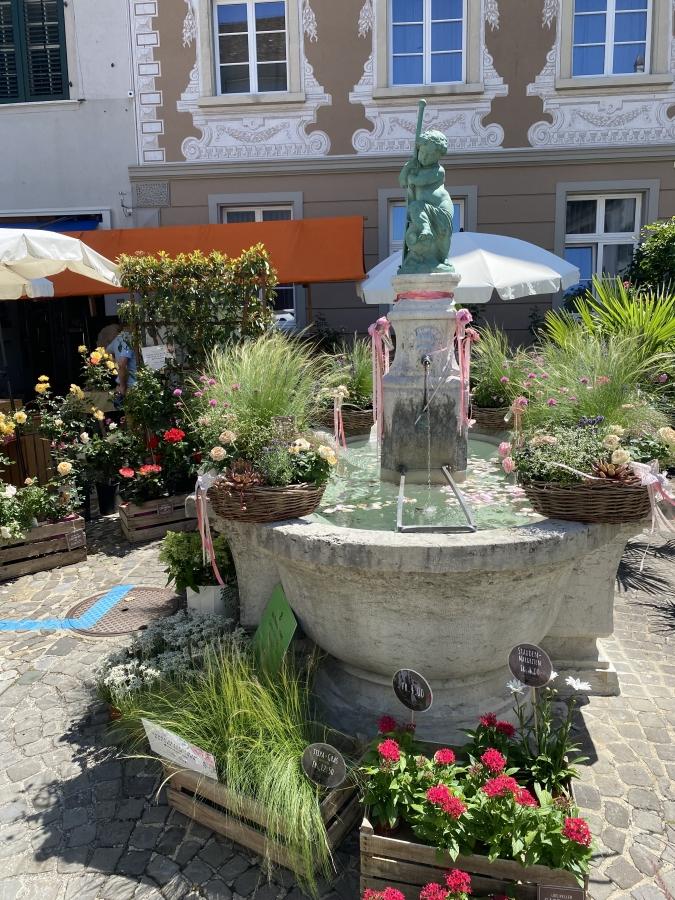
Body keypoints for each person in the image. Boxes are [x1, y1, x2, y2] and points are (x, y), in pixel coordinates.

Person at [398, 128, 455, 274]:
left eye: (430, 155)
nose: (424, 157)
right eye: (422, 152)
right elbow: (402, 182)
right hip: (422, 207)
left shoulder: (438, 171)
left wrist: (411, 175)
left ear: (438, 156)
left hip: (441, 207)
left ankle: (442, 259)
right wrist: (407, 167)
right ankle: (425, 231)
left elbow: (419, 181)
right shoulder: (415, 167)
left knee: (443, 234)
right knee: (415, 207)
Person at [102, 323, 137, 407]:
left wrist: (114, 363)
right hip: (131, 386)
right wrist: (123, 386)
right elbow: (122, 364)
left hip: (125, 385)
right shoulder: (129, 338)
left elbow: (106, 353)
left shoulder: (118, 339)